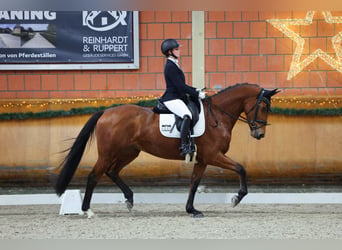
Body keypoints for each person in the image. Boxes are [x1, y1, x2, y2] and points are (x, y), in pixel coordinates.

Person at [159, 38, 206, 157]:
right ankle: (184, 145)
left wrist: (195, 90)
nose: (179, 51)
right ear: (169, 52)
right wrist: (196, 93)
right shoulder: (170, 66)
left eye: (178, 49)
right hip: (171, 98)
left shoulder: (174, 64)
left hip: (177, 96)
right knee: (187, 115)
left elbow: (182, 85)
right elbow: (180, 86)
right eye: (176, 49)